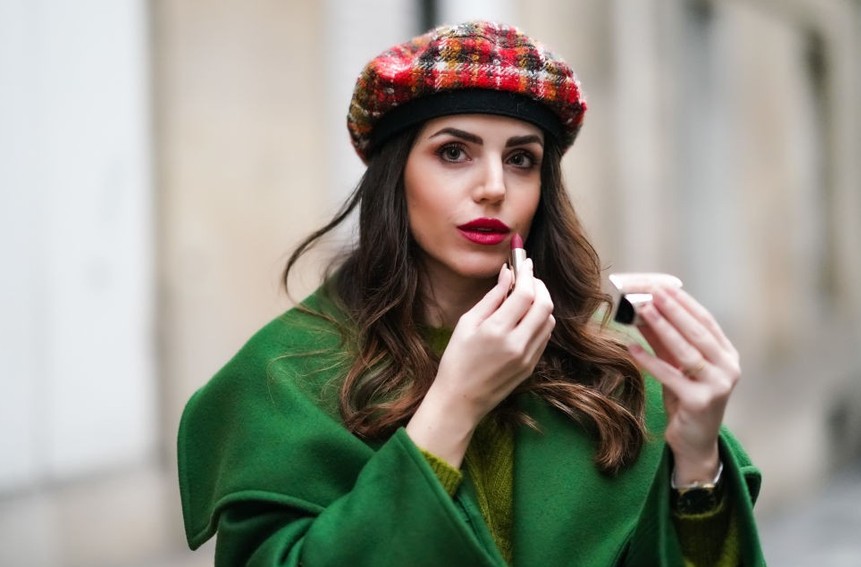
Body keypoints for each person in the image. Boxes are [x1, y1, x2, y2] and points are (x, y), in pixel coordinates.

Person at [177, 20, 766, 566]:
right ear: (395, 174)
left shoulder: (616, 378)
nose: (493, 188)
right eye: (453, 152)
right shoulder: (285, 375)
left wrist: (695, 463)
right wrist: (453, 407)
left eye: (521, 159)